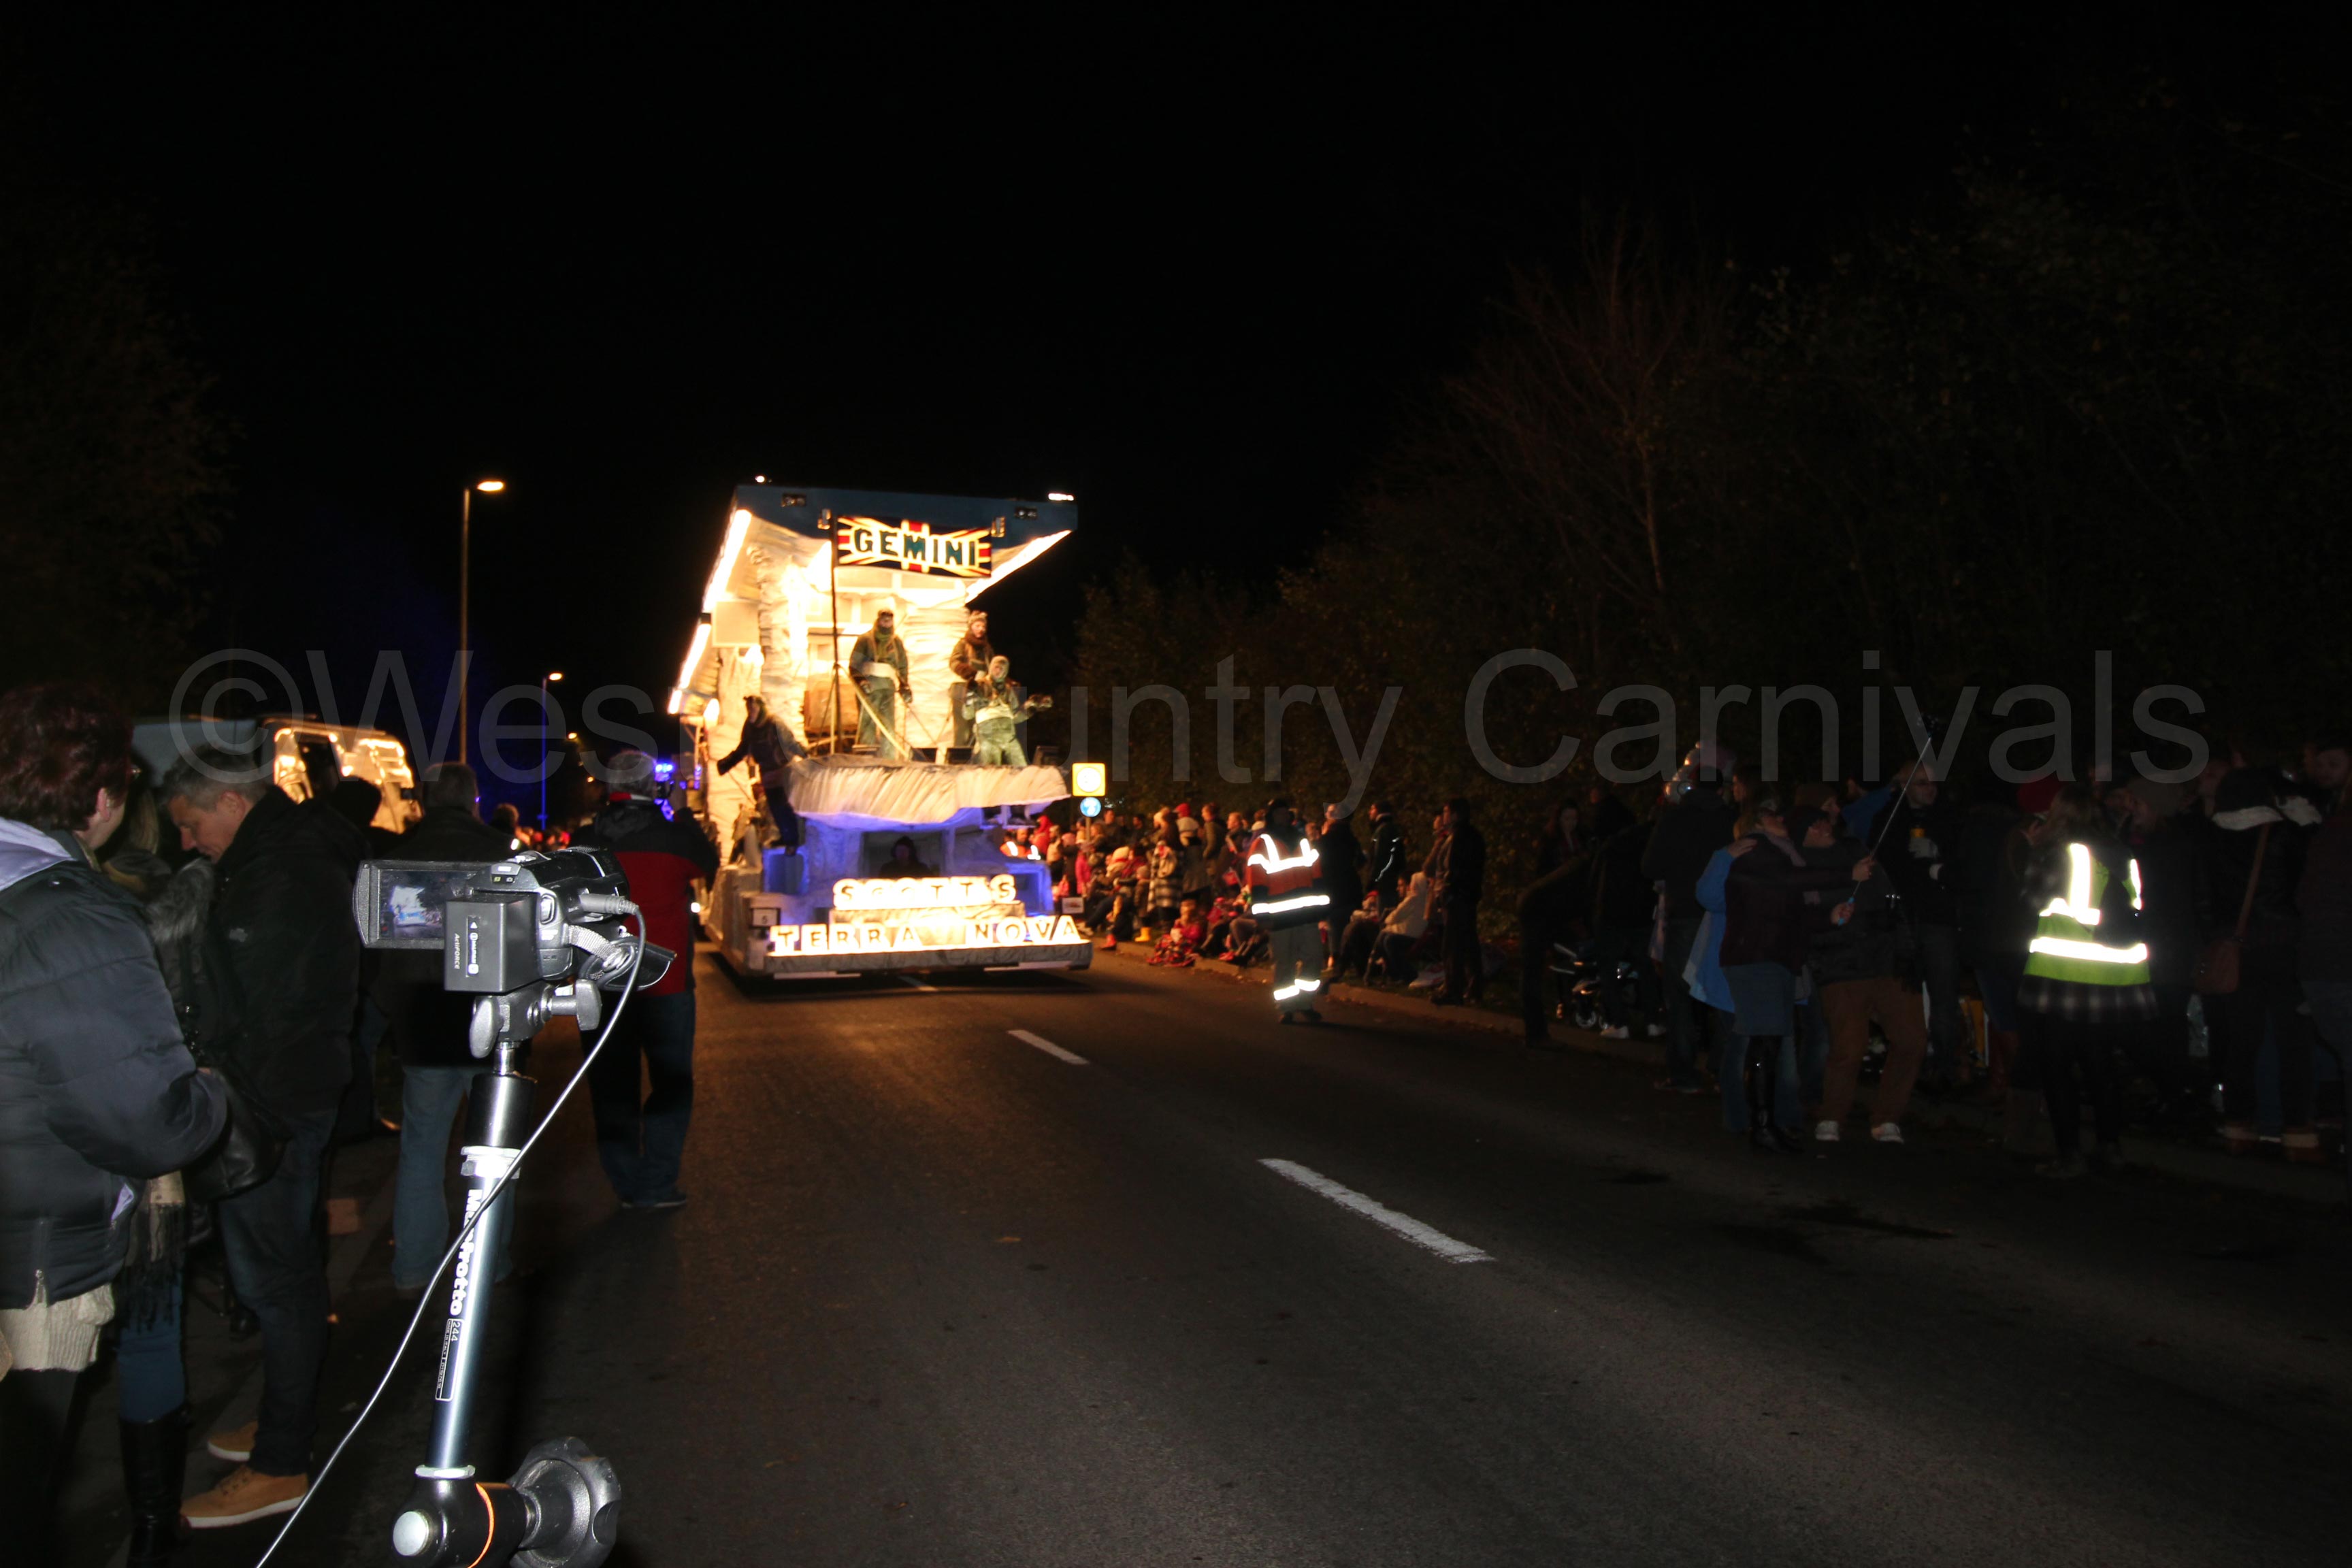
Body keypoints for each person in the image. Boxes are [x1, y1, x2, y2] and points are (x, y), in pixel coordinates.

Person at [0, 687, 228, 1565]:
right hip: (34, 1260)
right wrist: (209, 1093)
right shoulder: (71, 916)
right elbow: (147, 1124)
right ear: (100, 799)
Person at [161, 741, 360, 1529]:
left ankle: (282, 1460)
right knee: (286, 1274)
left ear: (232, 804)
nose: (187, 843)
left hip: (272, 1102)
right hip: (292, 1091)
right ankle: (285, 1411)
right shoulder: (288, 852)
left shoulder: (280, 872)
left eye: (192, 824)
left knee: (276, 1282)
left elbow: (245, 1007)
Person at [372, 764, 510, 1295]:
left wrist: (392, 1010)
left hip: (422, 1021)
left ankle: (415, 1266)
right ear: (474, 800)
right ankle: (488, 1264)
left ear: (425, 802)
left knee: (422, 1150)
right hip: (488, 1023)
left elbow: (377, 948)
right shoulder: (501, 856)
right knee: (494, 1152)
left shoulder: (396, 858)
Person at [574, 750, 719, 1210]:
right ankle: (657, 1183)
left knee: (611, 1087)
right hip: (666, 983)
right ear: (652, 787)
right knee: (670, 1083)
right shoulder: (674, 838)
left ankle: (626, 1182)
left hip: (601, 982)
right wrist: (683, 811)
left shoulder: (585, 840)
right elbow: (709, 863)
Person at [1703, 791, 1871, 1152]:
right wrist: (1848, 874)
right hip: (1757, 960)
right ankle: (1762, 1126)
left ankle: (1767, 1123)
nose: (1781, 820)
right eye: (1772, 816)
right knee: (1764, 1042)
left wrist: (1828, 917)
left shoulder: (1781, 857)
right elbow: (1789, 884)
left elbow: (1789, 911)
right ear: (1755, 826)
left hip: (1772, 959)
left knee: (1769, 1041)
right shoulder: (1757, 851)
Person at [2018, 783, 2155, 1177]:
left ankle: (2069, 1154)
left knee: (2057, 1066)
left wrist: (2032, 851)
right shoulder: (2122, 852)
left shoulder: (2059, 852)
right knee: (2100, 1063)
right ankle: (2111, 1146)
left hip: (2065, 974)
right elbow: (2137, 903)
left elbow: (2031, 901)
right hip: (2116, 972)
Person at [2198, 768, 2321, 1160]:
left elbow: (2203, 898)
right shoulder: (2284, 834)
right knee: (2294, 1043)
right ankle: (2298, 1132)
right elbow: (2304, 884)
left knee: (2240, 1041)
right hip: (2283, 948)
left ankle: (2238, 1127)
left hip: (2233, 949)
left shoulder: (2210, 837)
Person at [1799, 796, 1923, 1143]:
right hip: (1841, 966)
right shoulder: (1799, 865)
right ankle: (1832, 1115)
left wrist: (1905, 950)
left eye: (1825, 819)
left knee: (1911, 1040)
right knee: (1849, 1048)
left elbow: (1892, 901)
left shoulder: (1858, 850)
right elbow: (1803, 916)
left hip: (1885, 961)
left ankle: (1887, 1117)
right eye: (1813, 824)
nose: (1823, 826)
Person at [1644, 745, 1737, 1092]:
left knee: (1680, 997)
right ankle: (1724, 1069)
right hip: (1723, 916)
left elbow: (1650, 866)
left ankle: (1684, 1073)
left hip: (1684, 912)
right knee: (1722, 993)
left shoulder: (1675, 819)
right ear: (1722, 789)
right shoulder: (1732, 822)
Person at [1876, 760, 1969, 1089]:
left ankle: (1944, 1067)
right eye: (1922, 784)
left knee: (1944, 994)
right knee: (1904, 996)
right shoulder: (1890, 819)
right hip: (1902, 917)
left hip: (1938, 917)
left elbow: (1963, 865)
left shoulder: (1950, 818)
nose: (1930, 790)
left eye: (1933, 783)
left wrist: (1937, 855)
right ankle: (1907, 1065)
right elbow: (1880, 863)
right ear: (1904, 787)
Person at [1244, 798, 1330, 1022]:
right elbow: (1257, 883)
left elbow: (1317, 874)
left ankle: (1305, 1002)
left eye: (1285, 813)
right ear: (1271, 817)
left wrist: (1321, 907)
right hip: (1280, 916)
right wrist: (1262, 915)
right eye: (1278, 813)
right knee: (1284, 962)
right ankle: (1286, 1007)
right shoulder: (1262, 843)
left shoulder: (1302, 841)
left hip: (1306, 913)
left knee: (1314, 957)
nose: (1282, 816)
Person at [1516, 798, 1589, 1047]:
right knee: (1533, 967)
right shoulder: (1550, 844)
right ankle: (1535, 1029)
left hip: (1564, 912)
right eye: (1566, 818)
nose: (1571, 823)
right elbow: (1542, 877)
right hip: (1541, 909)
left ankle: (1570, 1005)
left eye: (1574, 819)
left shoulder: (1582, 842)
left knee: (1571, 959)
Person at [715, 693, 808, 847]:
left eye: (753, 709)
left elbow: (791, 743)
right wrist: (727, 763)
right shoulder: (750, 727)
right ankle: (785, 837)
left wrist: (807, 755)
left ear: (761, 709)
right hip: (766, 772)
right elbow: (743, 748)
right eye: (749, 709)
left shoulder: (775, 724)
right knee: (775, 808)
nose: (750, 712)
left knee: (784, 805)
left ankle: (793, 839)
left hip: (782, 771)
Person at [1431, 796, 1486, 1007]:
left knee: (1452, 945)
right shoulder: (1473, 836)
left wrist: (1446, 893)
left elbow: (1452, 869)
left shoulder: (1458, 838)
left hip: (1456, 898)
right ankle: (1474, 988)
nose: (1443, 816)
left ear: (1454, 814)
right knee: (1469, 942)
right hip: (1467, 896)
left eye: (1446, 812)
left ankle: (1453, 989)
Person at [848, 608, 913, 760]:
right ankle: (866, 760)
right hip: (869, 689)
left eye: (889, 619)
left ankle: (889, 761)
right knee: (867, 725)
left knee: (888, 726)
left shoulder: (896, 642)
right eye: (884, 619)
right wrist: (861, 681)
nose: (886, 622)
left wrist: (904, 685)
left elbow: (902, 666)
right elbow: (854, 665)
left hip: (888, 689)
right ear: (878, 620)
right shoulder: (865, 640)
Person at [962, 655, 1049, 767]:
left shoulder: (1008, 690)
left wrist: (1031, 707)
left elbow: (1015, 716)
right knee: (991, 770)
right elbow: (967, 715)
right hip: (988, 736)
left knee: (1021, 768)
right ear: (991, 668)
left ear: (1006, 672)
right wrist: (969, 696)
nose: (998, 671)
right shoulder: (980, 686)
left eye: (1002, 669)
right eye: (996, 668)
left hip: (1008, 736)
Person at [1318, 804, 1365, 966]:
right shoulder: (1351, 838)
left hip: (1333, 889)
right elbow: (1361, 860)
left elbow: (1318, 862)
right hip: (1351, 888)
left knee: (1335, 925)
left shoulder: (1327, 839)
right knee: (1347, 924)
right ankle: (1351, 958)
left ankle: (1335, 958)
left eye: (1330, 813)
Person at [947, 609, 996, 751]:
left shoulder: (987, 649)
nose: (981, 629)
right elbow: (954, 662)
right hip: (963, 687)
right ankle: (959, 756)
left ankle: (973, 756)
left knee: (978, 725)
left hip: (980, 689)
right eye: (977, 626)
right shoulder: (963, 644)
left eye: (983, 626)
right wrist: (967, 672)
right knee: (963, 727)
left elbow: (994, 668)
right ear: (971, 626)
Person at [1364, 800, 1406, 906]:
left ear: (1379, 811)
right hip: (1391, 880)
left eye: (1372, 809)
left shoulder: (1382, 830)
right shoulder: (1392, 828)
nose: (1370, 812)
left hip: (1385, 883)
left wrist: (1373, 879)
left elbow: (1381, 857)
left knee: (1385, 911)